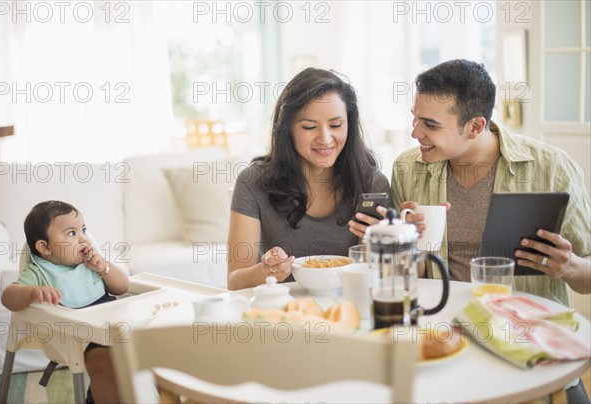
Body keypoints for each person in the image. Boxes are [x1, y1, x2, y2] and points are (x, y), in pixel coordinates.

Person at [388, 59, 591, 402]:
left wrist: (569, 266)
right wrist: (401, 242)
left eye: (430, 124)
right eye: (415, 117)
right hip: (442, 343)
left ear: (475, 125)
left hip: (526, 347)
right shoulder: (408, 169)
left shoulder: (552, 168)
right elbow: (403, 278)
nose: (415, 132)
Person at [227, 67, 391, 290]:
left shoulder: (372, 184)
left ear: (349, 125)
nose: (325, 139)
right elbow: (235, 281)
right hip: (282, 315)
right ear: (287, 129)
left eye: (336, 125)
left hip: (348, 310)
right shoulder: (253, 182)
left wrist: (380, 245)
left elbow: (379, 278)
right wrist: (265, 271)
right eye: (309, 127)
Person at [1, 200, 129, 404]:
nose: (83, 239)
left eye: (84, 230)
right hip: (78, 335)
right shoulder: (38, 272)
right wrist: (33, 292)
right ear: (44, 247)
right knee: (103, 363)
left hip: (116, 325)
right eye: (72, 233)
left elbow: (122, 287)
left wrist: (104, 268)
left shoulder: (91, 263)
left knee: (152, 350)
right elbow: (8, 297)